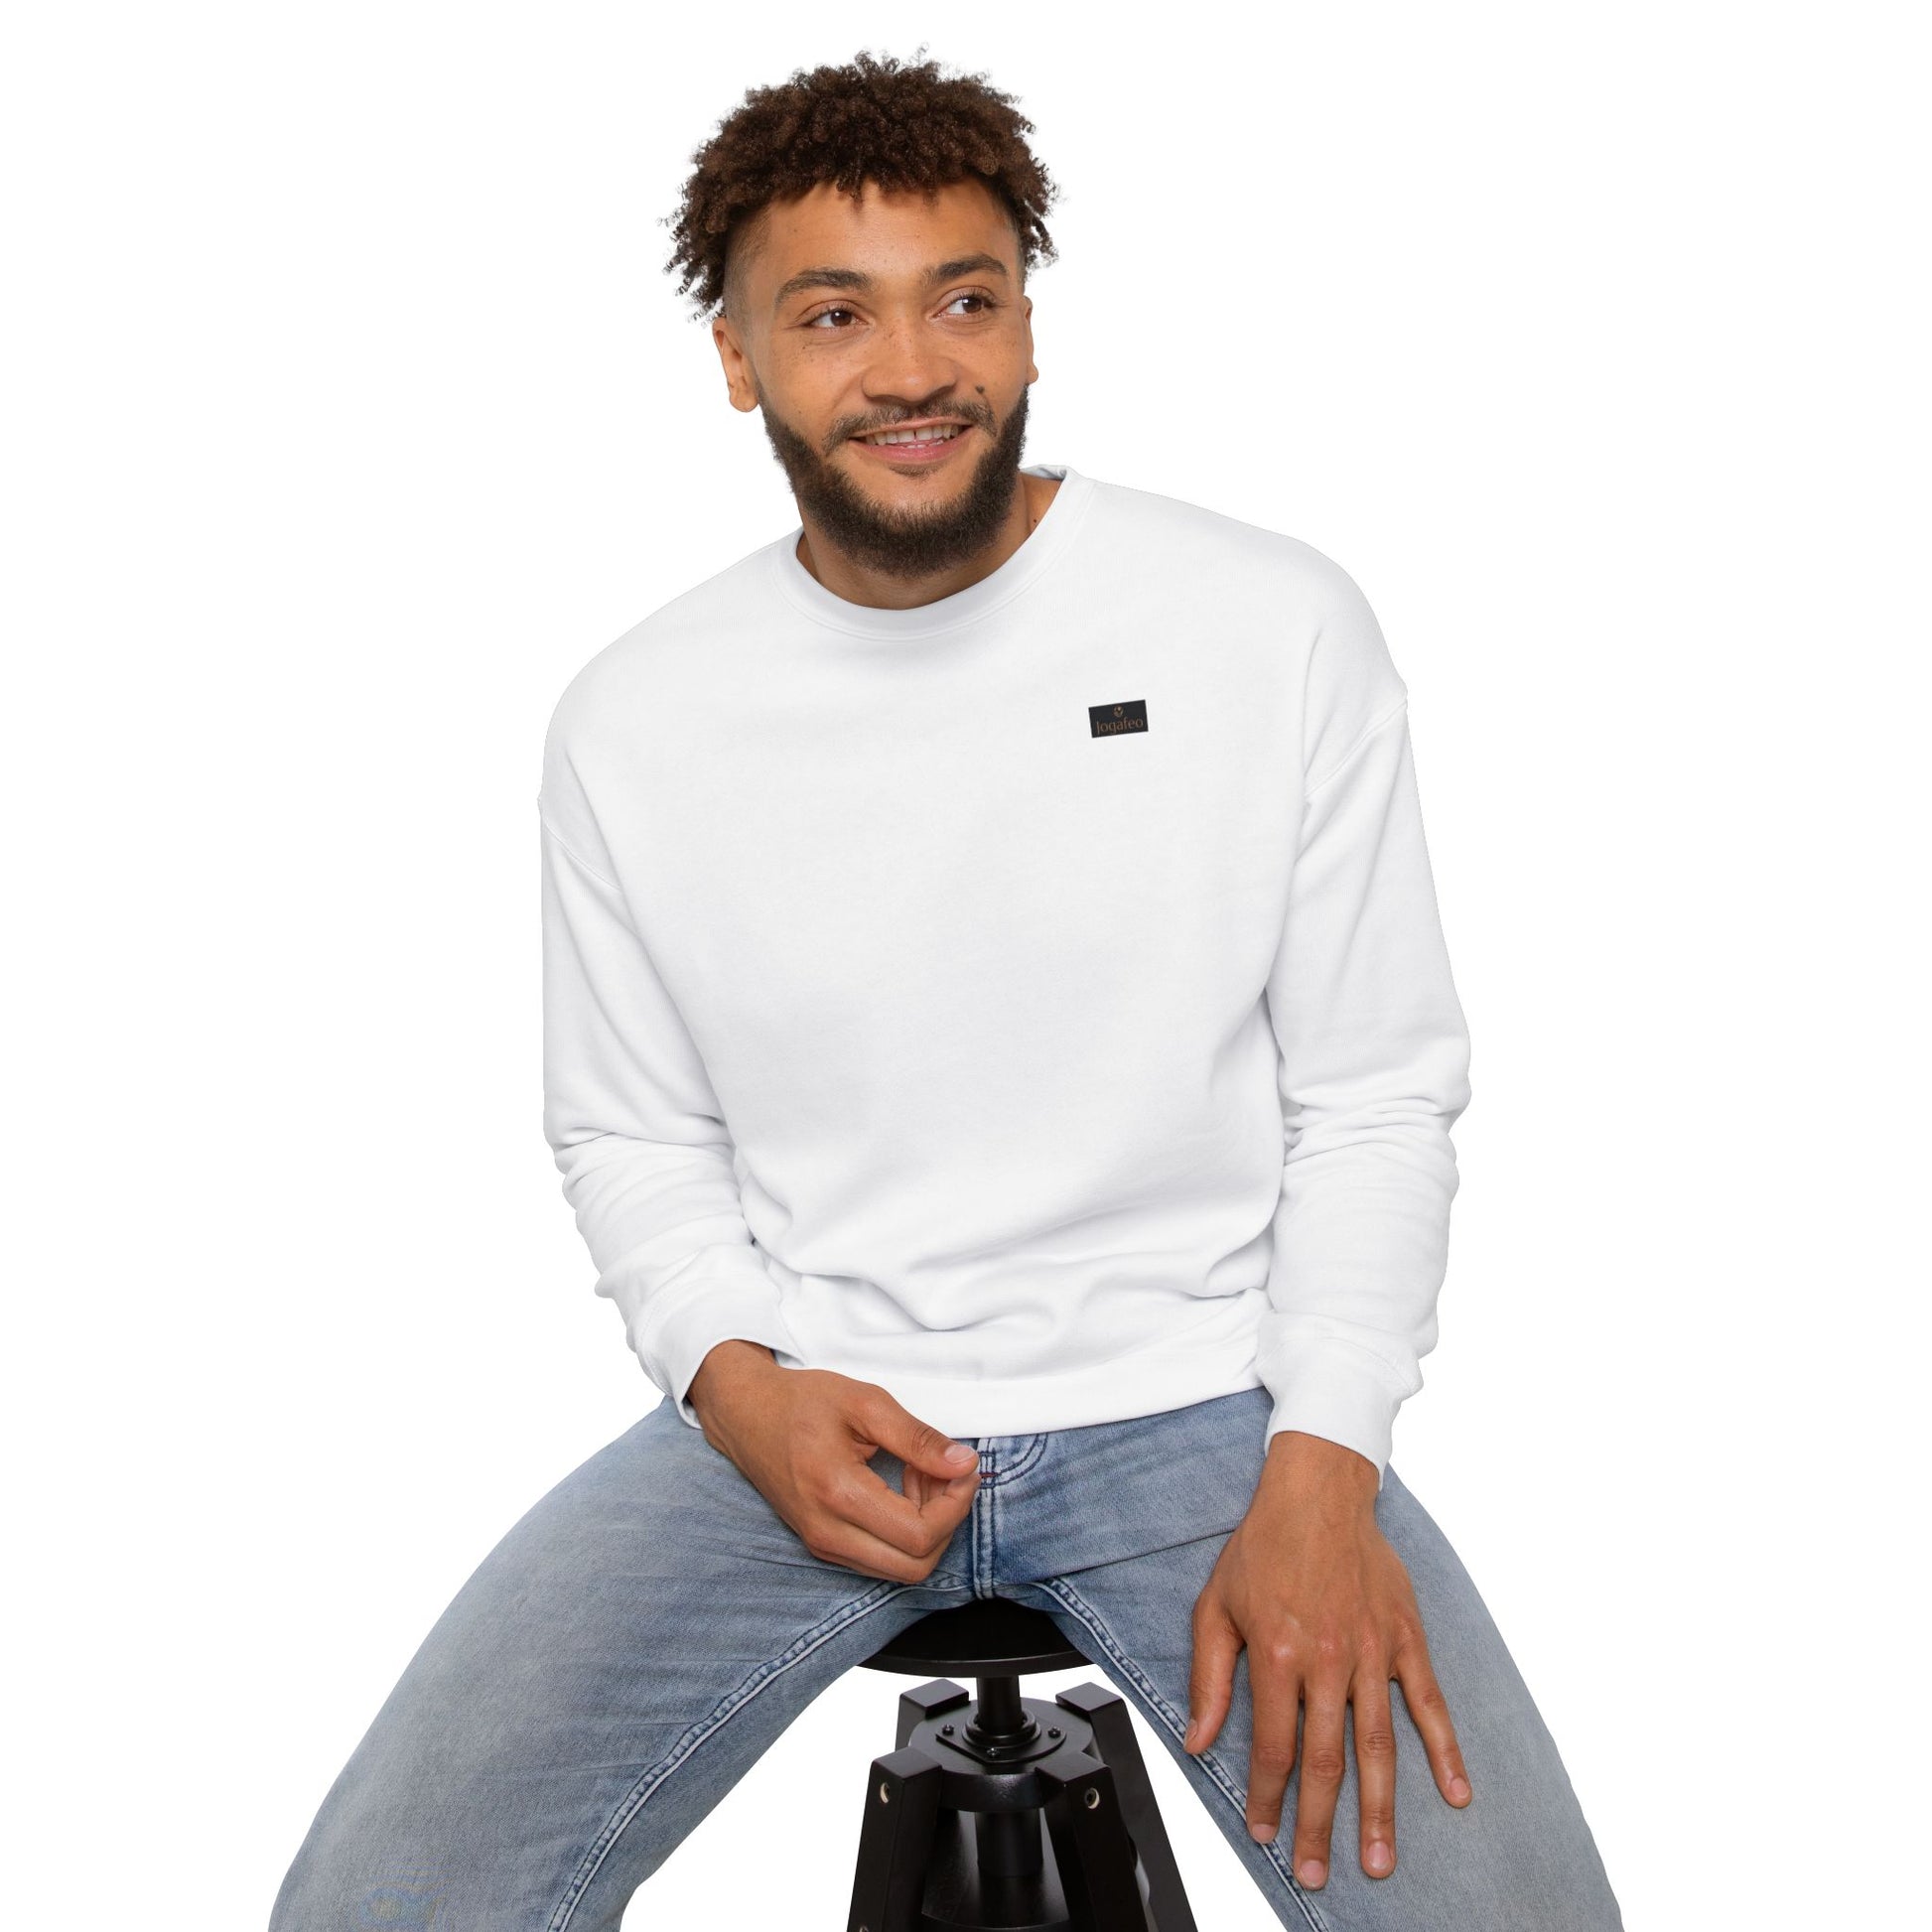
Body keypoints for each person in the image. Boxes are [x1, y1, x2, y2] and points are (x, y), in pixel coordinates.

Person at [269, 49, 1622, 1931]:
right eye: (834, 314)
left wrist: (1325, 1464)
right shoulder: (638, 718)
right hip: (801, 1421)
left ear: (1027, 324)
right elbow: (632, 1134)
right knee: (372, 1909)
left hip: (1211, 1416)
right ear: (740, 358)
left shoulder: (1267, 623)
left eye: (962, 300)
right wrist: (738, 1384)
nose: (911, 368)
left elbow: (1375, 1091)